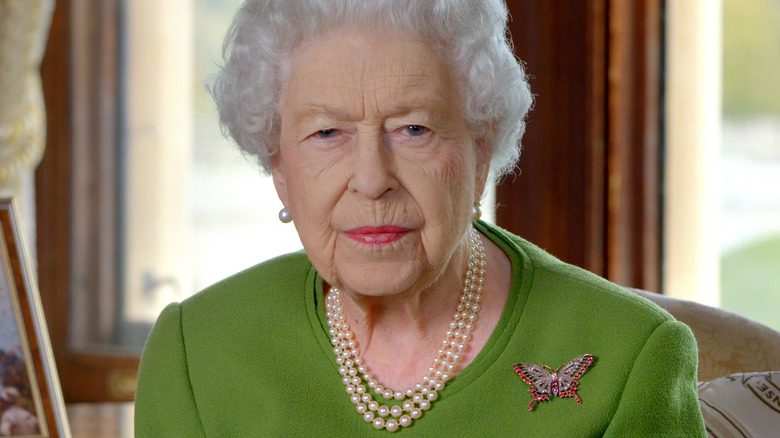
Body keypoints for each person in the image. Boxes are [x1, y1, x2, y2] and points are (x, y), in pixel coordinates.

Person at [135, 0, 706, 435]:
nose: (370, 178)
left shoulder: (631, 358)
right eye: (326, 133)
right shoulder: (197, 353)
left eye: (413, 129)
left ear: (481, 151)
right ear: (280, 167)